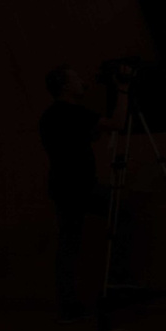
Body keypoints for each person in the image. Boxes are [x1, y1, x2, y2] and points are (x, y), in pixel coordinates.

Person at [40, 66, 104, 317]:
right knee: (125, 211)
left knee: (68, 245)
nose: (82, 81)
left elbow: (86, 137)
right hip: (81, 187)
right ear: (65, 86)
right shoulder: (73, 113)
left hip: (61, 187)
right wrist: (122, 91)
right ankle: (117, 279)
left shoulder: (49, 117)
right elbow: (117, 123)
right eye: (76, 78)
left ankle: (67, 304)